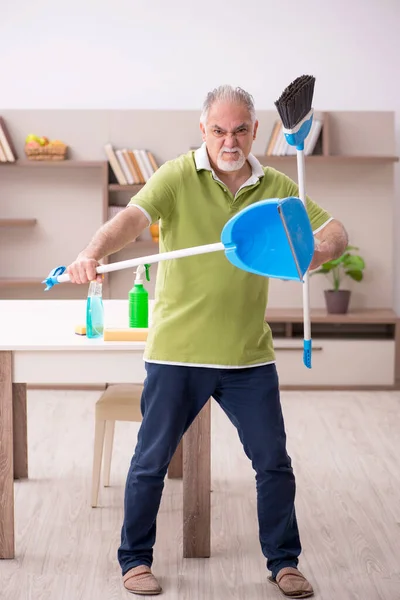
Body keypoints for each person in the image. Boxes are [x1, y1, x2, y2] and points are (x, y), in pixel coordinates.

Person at [67, 85, 348, 598]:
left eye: (240, 129)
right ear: (203, 131)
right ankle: (134, 560)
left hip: (247, 355)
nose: (230, 139)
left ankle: (283, 562)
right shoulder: (177, 174)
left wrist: (319, 251)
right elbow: (133, 219)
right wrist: (91, 250)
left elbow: (335, 230)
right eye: (218, 130)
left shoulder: (279, 186)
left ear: (254, 131)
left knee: (273, 463)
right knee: (150, 463)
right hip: (178, 351)